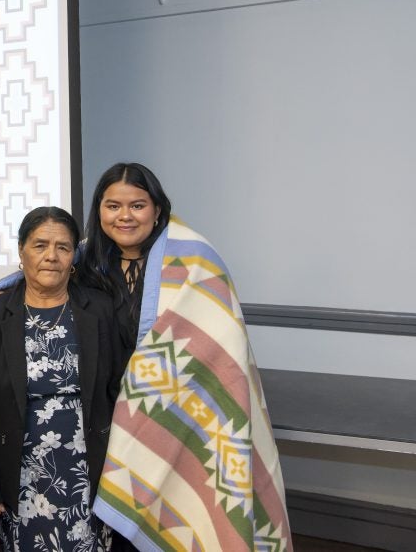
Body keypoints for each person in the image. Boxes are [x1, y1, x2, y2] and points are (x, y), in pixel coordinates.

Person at [77, 163, 292, 551]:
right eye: (113, 206)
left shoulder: (195, 260)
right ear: (99, 210)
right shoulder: (86, 263)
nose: (124, 216)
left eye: (137, 205)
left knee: (176, 517)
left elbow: (221, 343)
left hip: (177, 414)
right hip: (101, 418)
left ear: (158, 209)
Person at [0, 206, 120, 551]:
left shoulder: (98, 310)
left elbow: (116, 390)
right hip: (20, 470)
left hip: (88, 468)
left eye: (63, 247)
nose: (51, 256)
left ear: (74, 258)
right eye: (40, 246)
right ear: (21, 252)